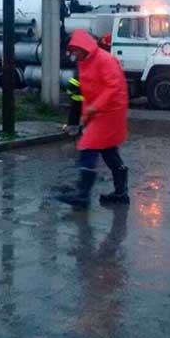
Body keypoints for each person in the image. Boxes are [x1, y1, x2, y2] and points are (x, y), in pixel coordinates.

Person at [55, 29, 129, 207]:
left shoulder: (104, 60)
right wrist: (85, 114)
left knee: (88, 145)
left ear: (83, 47)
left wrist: (94, 108)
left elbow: (113, 87)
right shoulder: (85, 62)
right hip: (100, 110)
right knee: (108, 150)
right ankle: (121, 192)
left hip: (110, 110)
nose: (73, 54)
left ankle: (83, 195)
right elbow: (89, 91)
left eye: (74, 50)